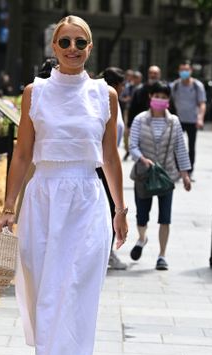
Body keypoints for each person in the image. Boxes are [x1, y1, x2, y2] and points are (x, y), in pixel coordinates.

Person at [0, 15, 128, 355]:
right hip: (44, 198)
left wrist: (121, 209)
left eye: (81, 42)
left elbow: (109, 156)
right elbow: (21, 154)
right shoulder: (35, 93)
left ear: (91, 48)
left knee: (75, 291)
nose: (73, 48)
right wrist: (8, 206)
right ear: (53, 47)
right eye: (65, 41)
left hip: (87, 200)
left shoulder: (104, 94)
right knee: (38, 286)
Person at [129, 81, 191, 270]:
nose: (160, 100)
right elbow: (132, 146)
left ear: (168, 100)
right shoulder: (140, 119)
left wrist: (185, 174)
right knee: (141, 215)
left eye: (164, 97)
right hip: (144, 174)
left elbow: (180, 148)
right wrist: (142, 159)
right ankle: (142, 238)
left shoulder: (174, 122)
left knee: (165, 217)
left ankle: (162, 255)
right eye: (157, 96)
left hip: (167, 175)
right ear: (150, 97)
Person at [97, 67, 127, 270]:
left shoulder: (111, 99)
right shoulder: (105, 99)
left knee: (109, 208)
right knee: (107, 210)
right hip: (101, 165)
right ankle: (106, 252)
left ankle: (106, 252)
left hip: (107, 162)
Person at [171, 61, 206, 178]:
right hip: (178, 120)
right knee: (176, 145)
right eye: (182, 70)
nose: (184, 72)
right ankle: (177, 169)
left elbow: (202, 103)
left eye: (186, 70)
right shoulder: (175, 85)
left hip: (192, 120)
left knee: (191, 146)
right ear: (179, 71)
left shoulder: (197, 85)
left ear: (191, 71)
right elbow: (169, 102)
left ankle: (190, 171)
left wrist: (200, 118)